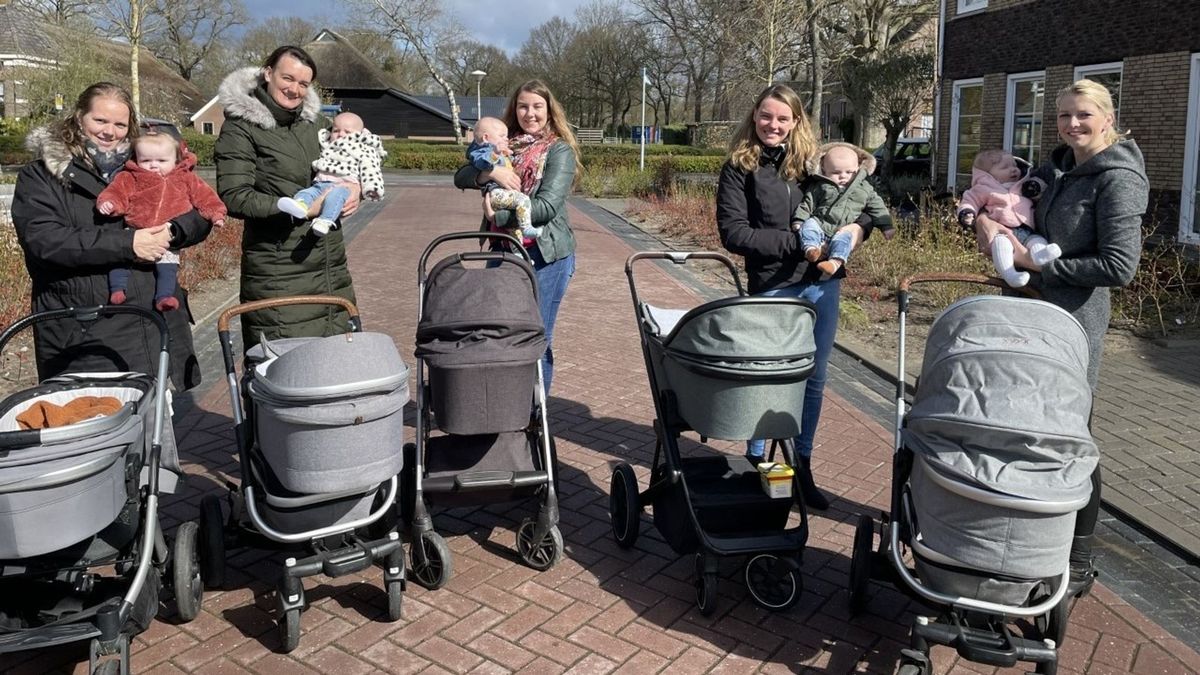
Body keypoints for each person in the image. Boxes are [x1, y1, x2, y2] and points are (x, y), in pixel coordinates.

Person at [973, 79, 1147, 599]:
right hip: (1029, 315)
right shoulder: (1053, 170)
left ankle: (1080, 553)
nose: (1072, 124)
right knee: (1024, 425)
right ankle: (1027, 536)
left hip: (1073, 323)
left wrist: (1030, 263)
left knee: (1071, 436)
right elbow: (1006, 208)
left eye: (1083, 115)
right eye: (1064, 116)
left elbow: (1119, 266)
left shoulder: (1118, 178)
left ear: (1107, 117)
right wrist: (985, 223)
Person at [716, 84, 876, 511]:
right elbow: (735, 234)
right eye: (766, 116)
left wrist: (858, 230)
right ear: (755, 117)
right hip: (773, 285)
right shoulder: (739, 168)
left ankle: (801, 464)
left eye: (783, 118)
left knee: (814, 378)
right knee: (768, 376)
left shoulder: (814, 165)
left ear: (796, 122)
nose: (774, 125)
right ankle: (755, 461)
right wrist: (797, 242)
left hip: (822, 284)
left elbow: (856, 202)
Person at [12, 82, 211, 389]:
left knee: (156, 430)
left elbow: (200, 209)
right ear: (79, 117)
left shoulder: (147, 163)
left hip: (154, 324)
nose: (110, 132)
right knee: (101, 429)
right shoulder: (40, 176)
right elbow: (45, 240)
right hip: (86, 334)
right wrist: (128, 244)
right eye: (100, 121)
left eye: (120, 124)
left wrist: (174, 230)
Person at [214, 46, 359, 350]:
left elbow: (353, 158)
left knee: (336, 370)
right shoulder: (241, 128)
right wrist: (301, 209)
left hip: (330, 268)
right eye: (287, 78)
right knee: (285, 372)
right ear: (268, 73)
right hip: (279, 270)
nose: (294, 90)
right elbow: (235, 196)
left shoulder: (317, 125)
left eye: (304, 84)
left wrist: (355, 188)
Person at [454, 80, 582, 395]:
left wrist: (497, 215)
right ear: (515, 108)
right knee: (499, 332)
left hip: (545, 254)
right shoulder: (501, 142)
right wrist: (489, 174)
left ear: (549, 110)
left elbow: (547, 206)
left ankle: (537, 419)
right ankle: (507, 407)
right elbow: (460, 175)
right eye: (523, 106)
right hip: (504, 251)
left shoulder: (558, 150)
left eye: (538, 106)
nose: (530, 113)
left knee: (536, 336)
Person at [98, 131, 227, 311]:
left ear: (176, 159)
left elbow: (205, 197)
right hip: (136, 230)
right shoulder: (131, 176)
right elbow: (117, 192)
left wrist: (216, 214)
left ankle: (164, 297)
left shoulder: (185, 177)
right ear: (137, 159)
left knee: (168, 266)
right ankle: (117, 290)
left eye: (161, 161)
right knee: (120, 259)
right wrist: (109, 203)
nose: (153, 166)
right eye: (146, 161)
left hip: (166, 235)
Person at [958, 149, 1059, 287]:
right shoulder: (984, 188)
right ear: (987, 175)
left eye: (1014, 165)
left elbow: (1040, 187)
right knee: (1002, 247)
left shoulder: (1023, 183)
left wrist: (1035, 188)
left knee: (1037, 240)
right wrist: (968, 213)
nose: (1013, 170)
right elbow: (970, 200)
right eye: (1005, 167)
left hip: (1026, 228)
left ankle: (1040, 255)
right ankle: (1010, 274)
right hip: (1001, 231)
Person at [276, 111, 386, 238]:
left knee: (334, 198)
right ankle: (300, 205)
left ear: (359, 134)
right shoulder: (327, 144)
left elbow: (371, 169)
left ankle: (325, 221)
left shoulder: (363, 148)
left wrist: (373, 188)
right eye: (336, 130)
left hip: (342, 185)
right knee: (306, 193)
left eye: (347, 132)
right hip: (319, 184)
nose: (340, 134)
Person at [791, 142, 893, 277]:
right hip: (821, 223)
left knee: (844, 239)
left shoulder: (864, 188)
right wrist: (799, 220)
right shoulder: (820, 186)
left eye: (849, 172)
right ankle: (811, 249)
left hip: (843, 227)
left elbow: (877, 206)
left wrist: (886, 225)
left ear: (858, 168)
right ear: (823, 170)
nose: (843, 176)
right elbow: (807, 203)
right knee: (809, 226)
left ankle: (834, 263)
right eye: (836, 172)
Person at [466, 116, 537, 242]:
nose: (506, 138)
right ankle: (527, 228)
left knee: (514, 232)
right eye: (502, 136)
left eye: (506, 135)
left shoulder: (499, 150)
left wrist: (511, 157)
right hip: (496, 192)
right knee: (523, 199)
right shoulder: (481, 151)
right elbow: (480, 164)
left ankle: (518, 254)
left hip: (504, 193)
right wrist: (494, 162)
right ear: (486, 138)